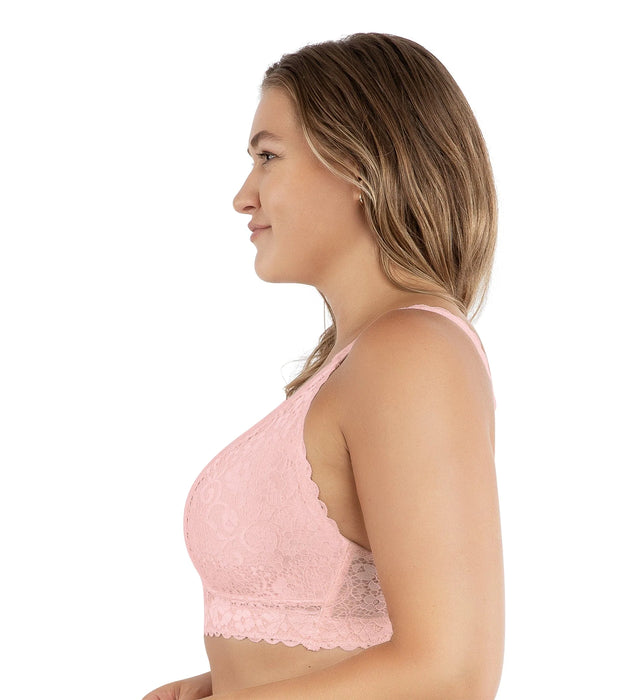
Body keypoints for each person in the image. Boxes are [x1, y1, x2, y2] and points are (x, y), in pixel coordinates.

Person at [143, 32, 503, 700]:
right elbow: (342, 630)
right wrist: (219, 685)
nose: (243, 196)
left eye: (268, 157)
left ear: (358, 165)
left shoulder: (412, 354)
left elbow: (451, 670)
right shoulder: (367, 359)